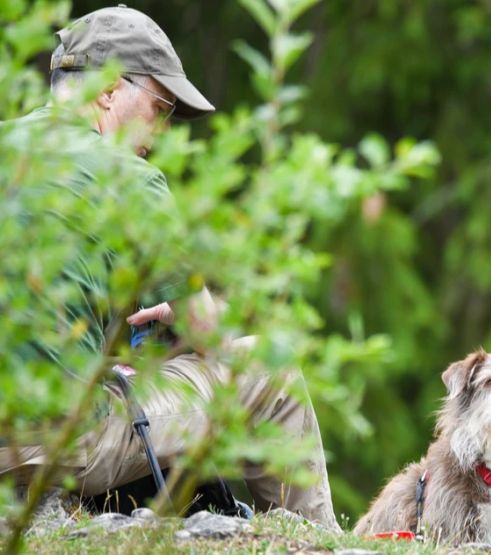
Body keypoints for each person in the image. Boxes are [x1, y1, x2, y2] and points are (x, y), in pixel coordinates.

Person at [0, 4, 338, 528]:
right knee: (273, 373)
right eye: (160, 105)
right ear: (109, 90)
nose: (162, 131)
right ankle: (314, 540)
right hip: (60, 443)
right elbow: (210, 334)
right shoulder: (131, 178)